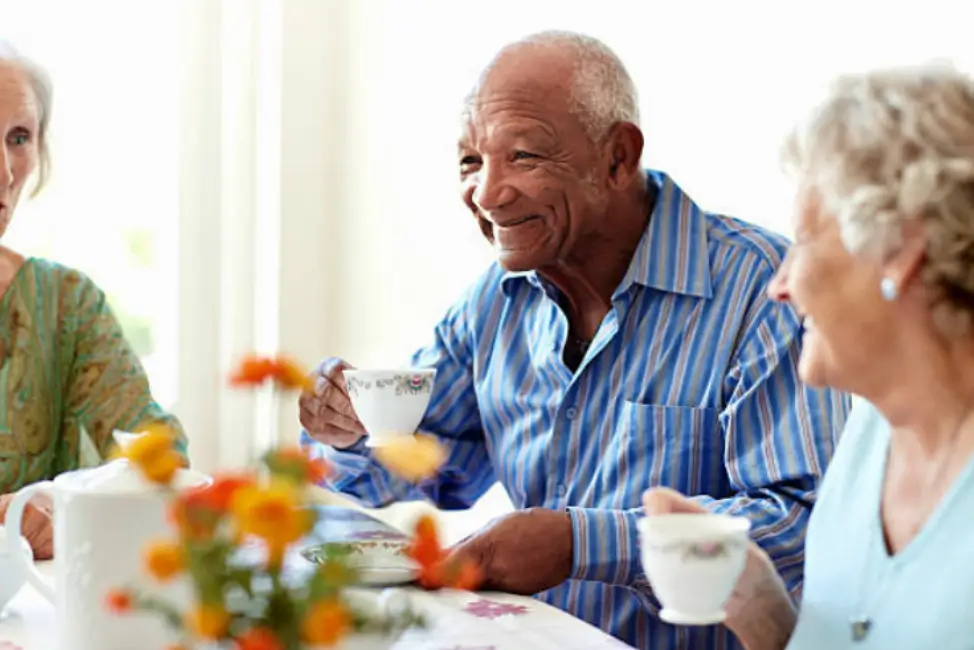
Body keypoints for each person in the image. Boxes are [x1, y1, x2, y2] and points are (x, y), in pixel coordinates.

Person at [299, 31, 849, 650]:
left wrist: (581, 544)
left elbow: (807, 524)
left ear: (618, 158)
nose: (487, 194)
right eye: (471, 161)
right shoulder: (495, 302)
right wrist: (346, 431)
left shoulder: (761, 290)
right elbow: (414, 467)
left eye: (523, 156)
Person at [645, 64, 974, 649]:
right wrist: (759, 603)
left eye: (803, 241)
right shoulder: (869, 433)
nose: (779, 285)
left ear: (901, 251)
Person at [0, 41, 187, 560]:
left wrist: (64, 503)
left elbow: (162, 457)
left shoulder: (67, 304)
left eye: (19, 138)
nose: (5, 172)